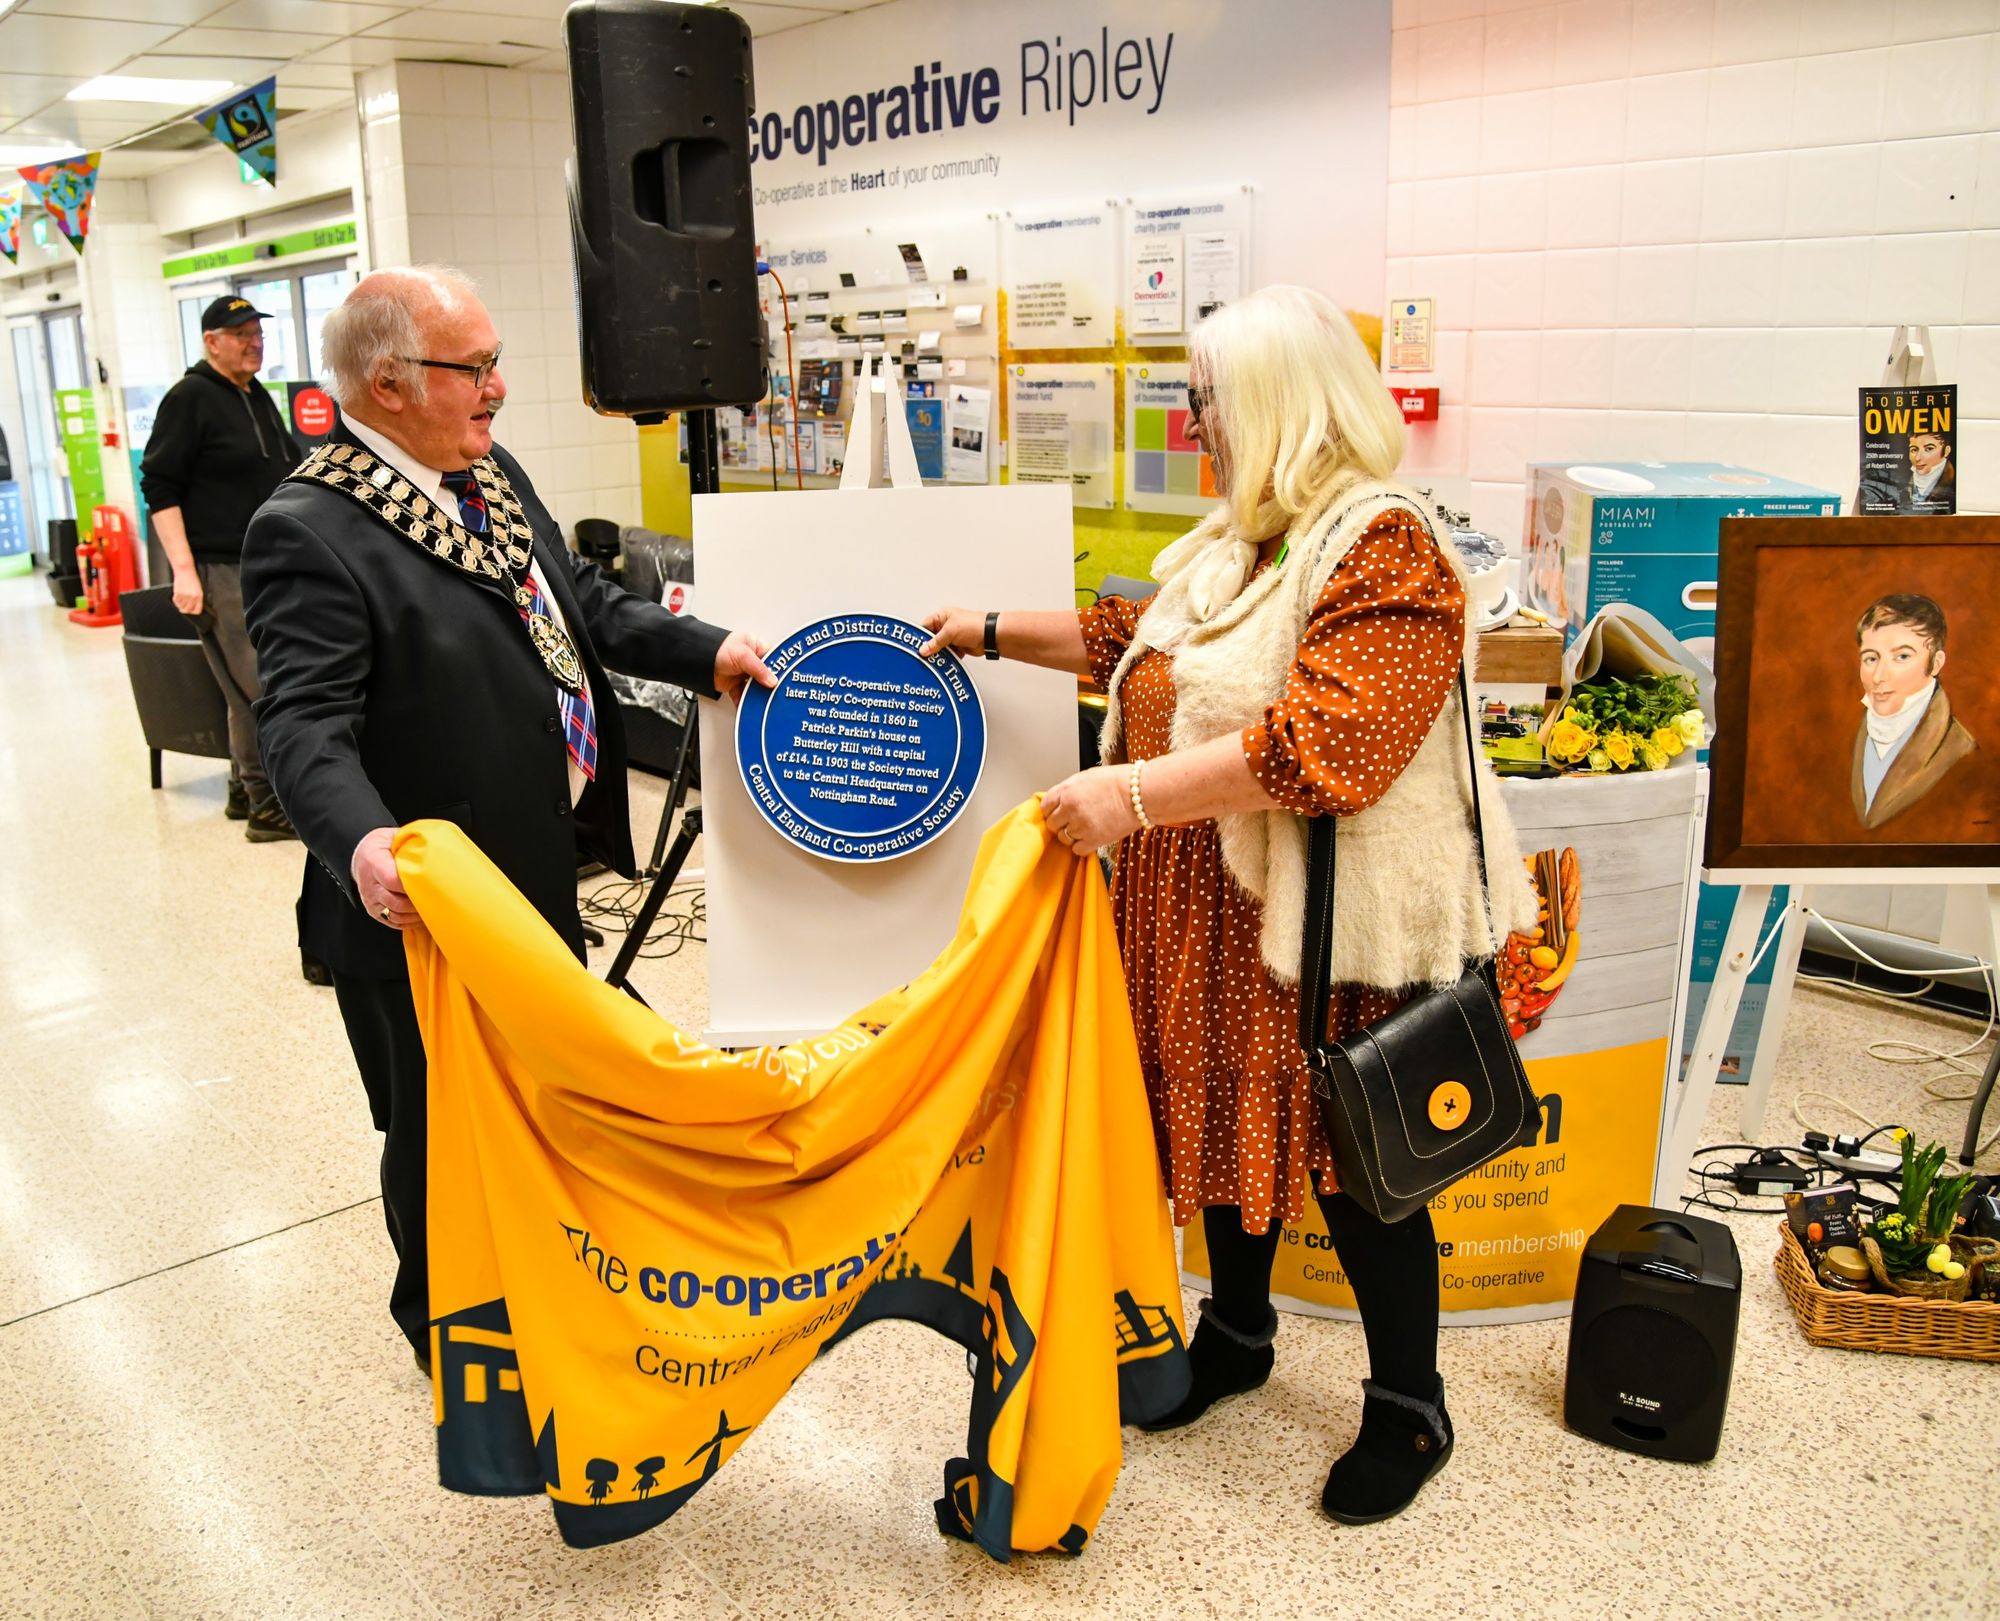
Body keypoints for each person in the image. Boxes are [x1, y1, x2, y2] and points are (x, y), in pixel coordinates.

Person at [922, 285, 1535, 1525]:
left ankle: (1409, 1410)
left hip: (1313, 933)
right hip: (1197, 913)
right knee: (1208, 1130)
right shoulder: (1236, 542)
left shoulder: (1383, 546)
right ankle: (1240, 1333)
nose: (1192, 423)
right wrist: (983, 630)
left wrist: (1130, 797)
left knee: (1360, 1168)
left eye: (1204, 400)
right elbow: (1128, 638)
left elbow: (1331, 746)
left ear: (1272, 405)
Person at [243, 266, 774, 1372]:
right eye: (473, 367)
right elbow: (300, 727)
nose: (498, 387)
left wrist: (708, 652)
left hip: (530, 871)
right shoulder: (310, 527)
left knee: (531, 1106)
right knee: (437, 1132)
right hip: (421, 911)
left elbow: (582, 608)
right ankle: (455, 1342)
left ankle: (532, 1290)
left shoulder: (480, 470)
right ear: (388, 384)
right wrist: (362, 843)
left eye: (493, 361)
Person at [140, 295, 303, 840]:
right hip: (217, 567)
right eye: (242, 334)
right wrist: (184, 573)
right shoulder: (188, 399)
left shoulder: (256, 395)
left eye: (258, 332)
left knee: (246, 689)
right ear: (212, 341)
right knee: (260, 686)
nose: (255, 341)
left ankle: (244, 790)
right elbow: (159, 488)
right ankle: (266, 805)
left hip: (264, 562)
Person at [1849, 593, 1976, 829]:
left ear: (1936, 663)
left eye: (1902, 656)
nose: (1879, 677)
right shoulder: (1846, 736)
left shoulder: (1962, 752)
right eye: (1870, 658)